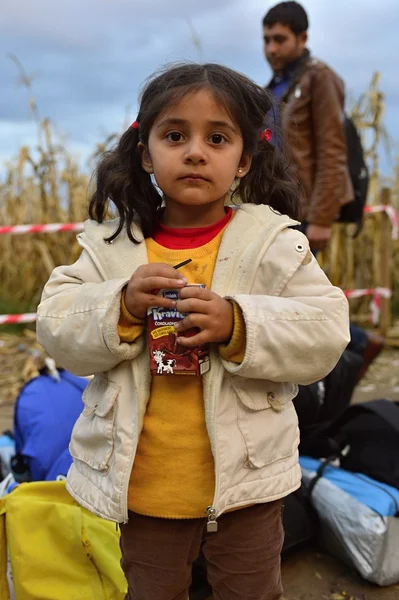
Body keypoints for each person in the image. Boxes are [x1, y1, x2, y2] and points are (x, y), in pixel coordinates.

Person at [37, 63, 349, 600]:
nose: (196, 151)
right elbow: (56, 325)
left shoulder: (273, 244)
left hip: (247, 487)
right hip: (144, 486)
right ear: (145, 152)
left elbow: (325, 331)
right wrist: (120, 305)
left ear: (244, 159)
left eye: (218, 138)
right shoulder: (110, 251)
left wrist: (239, 322)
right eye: (175, 135)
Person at [263, 1, 384, 377]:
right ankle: (354, 348)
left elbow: (333, 150)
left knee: (292, 295)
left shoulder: (320, 79)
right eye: (266, 40)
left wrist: (321, 219)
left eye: (280, 39)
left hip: (303, 211)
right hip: (275, 209)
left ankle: (357, 346)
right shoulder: (276, 86)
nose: (271, 48)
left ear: (303, 38)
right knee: (279, 293)